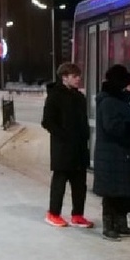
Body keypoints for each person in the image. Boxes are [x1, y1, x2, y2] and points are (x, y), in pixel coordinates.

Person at [92, 64, 130, 241]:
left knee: (123, 192)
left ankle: (121, 224)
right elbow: (113, 127)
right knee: (112, 194)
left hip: (121, 155)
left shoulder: (116, 101)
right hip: (113, 155)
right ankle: (110, 226)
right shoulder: (109, 103)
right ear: (121, 86)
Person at [41, 62, 93, 228]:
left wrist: (84, 136)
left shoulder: (79, 97)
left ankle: (78, 214)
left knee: (80, 184)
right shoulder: (55, 96)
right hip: (63, 148)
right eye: (74, 77)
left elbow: (83, 121)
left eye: (79, 76)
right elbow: (47, 121)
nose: (78, 79)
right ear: (64, 77)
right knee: (60, 182)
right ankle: (53, 213)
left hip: (79, 148)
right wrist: (64, 135)